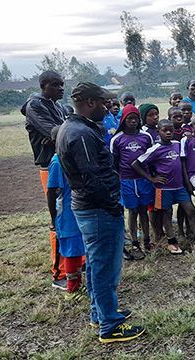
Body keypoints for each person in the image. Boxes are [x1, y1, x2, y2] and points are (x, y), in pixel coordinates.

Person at [55, 82, 145, 343]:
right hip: (97, 210)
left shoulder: (75, 128)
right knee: (105, 266)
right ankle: (110, 325)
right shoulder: (80, 133)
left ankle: (100, 313)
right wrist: (112, 203)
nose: (107, 108)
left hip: (91, 208)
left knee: (96, 264)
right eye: (104, 103)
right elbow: (92, 177)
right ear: (90, 102)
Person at [22, 70, 67, 290]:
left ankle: (75, 262)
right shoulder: (35, 106)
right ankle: (59, 273)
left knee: (70, 213)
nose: (61, 89)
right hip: (50, 165)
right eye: (56, 85)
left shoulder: (56, 105)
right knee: (58, 217)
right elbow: (55, 132)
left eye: (62, 85)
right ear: (44, 85)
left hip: (63, 163)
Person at [132, 119, 195, 255]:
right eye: (165, 130)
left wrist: (187, 184)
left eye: (171, 130)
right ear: (158, 132)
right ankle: (172, 242)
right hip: (163, 189)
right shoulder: (155, 149)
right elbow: (135, 164)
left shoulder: (176, 144)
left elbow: (182, 164)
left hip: (179, 187)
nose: (169, 132)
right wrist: (151, 178)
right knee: (166, 214)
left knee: (191, 210)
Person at [46, 125, 86, 301]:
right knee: (70, 249)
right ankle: (72, 287)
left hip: (80, 210)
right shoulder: (56, 162)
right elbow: (51, 192)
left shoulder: (74, 158)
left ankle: (79, 281)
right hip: (67, 214)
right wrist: (54, 217)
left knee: (79, 246)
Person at [110, 104, 155, 258]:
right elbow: (114, 162)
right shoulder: (117, 139)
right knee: (132, 211)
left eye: (136, 118)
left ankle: (147, 241)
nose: (133, 121)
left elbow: (151, 157)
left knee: (144, 210)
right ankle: (135, 243)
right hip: (127, 181)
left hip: (144, 180)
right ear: (123, 120)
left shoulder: (146, 136)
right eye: (129, 118)